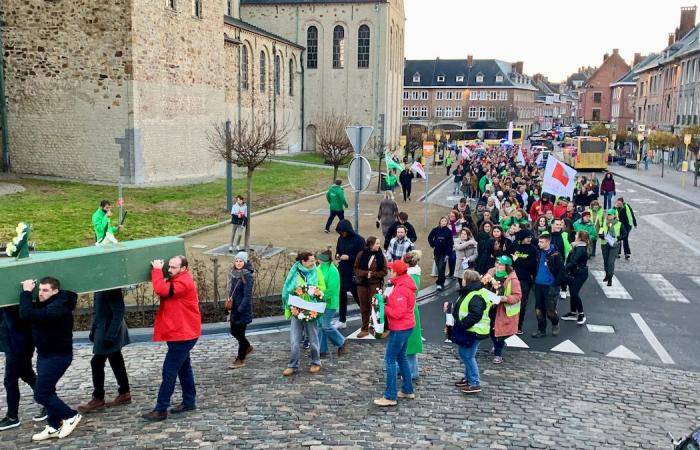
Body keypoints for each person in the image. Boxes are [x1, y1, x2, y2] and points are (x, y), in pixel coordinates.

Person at [19, 277, 81, 441]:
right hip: (45, 354)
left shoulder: (58, 307)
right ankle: (54, 425)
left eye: (45, 290)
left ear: (55, 291)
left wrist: (26, 293)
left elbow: (27, 314)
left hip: (58, 357)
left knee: (41, 394)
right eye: (39, 290)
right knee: (49, 390)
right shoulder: (49, 303)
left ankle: (70, 416)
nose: (40, 293)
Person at [142, 256, 202, 421]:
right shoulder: (180, 278)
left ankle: (161, 409)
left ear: (183, 268)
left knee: (169, 371)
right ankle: (189, 401)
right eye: (169, 266)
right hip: (183, 333)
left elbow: (162, 290)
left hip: (183, 335)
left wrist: (156, 270)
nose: (169, 270)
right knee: (184, 368)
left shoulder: (183, 283)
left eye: (173, 267)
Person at [77, 289, 131, 414]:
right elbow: (99, 312)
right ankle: (124, 392)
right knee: (115, 358)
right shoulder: (99, 288)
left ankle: (98, 397)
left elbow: (118, 311)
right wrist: (93, 329)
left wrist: (111, 335)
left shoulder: (110, 288)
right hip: (103, 328)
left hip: (109, 330)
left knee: (96, 362)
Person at [373, 260, 416, 407]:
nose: (389, 271)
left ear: (396, 272)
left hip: (400, 328)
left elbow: (398, 313)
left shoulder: (400, 289)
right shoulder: (403, 284)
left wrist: (383, 307)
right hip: (406, 326)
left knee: (390, 360)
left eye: (391, 269)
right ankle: (407, 389)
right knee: (401, 357)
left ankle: (390, 396)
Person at [0, 304, 45, 431]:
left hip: (18, 346)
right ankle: (49, 404)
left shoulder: (12, 301)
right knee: (27, 375)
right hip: (16, 344)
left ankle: (12, 417)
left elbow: (17, 323)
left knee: (10, 381)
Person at [281, 252, 326, 376]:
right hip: (297, 309)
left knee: (313, 338)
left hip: (311, 309)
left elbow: (323, 287)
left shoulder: (317, 272)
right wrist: (297, 290)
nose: (314, 263)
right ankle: (292, 365)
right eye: (311, 261)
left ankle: (316, 362)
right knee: (294, 339)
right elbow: (288, 288)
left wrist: (313, 289)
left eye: (313, 260)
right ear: (303, 262)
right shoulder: (294, 272)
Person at [451, 270, 491, 394]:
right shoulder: (474, 292)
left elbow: (475, 314)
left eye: (463, 278)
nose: (461, 280)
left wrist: (462, 324)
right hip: (471, 330)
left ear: (467, 281)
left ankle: (474, 382)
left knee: (467, 356)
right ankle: (469, 379)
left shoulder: (475, 295)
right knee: (466, 355)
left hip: (473, 330)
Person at [485, 256, 522, 364]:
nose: (497, 266)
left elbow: (517, 296)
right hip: (489, 306)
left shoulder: (513, 280)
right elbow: (483, 283)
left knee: (499, 333)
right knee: (491, 330)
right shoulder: (491, 272)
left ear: (507, 267)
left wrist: (505, 298)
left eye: (501, 264)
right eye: (497, 263)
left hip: (502, 310)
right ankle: (497, 346)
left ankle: (498, 354)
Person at [316, 249, 348, 358]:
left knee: (325, 326)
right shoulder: (319, 268)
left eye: (319, 258)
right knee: (320, 326)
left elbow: (331, 289)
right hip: (320, 302)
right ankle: (322, 350)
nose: (317, 260)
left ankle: (341, 342)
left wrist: (319, 294)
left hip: (330, 303)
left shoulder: (333, 270)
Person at [354, 236, 387, 338]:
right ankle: (364, 328)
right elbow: (356, 269)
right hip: (362, 285)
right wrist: (365, 273)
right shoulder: (361, 254)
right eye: (376, 243)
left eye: (378, 243)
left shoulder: (381, 256)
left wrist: (372, 274)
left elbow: (384, 271)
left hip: (375, 285)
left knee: (377, 307)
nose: (378, 245)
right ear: (371, 244)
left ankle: (380, 329)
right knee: (364, 307)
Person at [532, 233, 564, 338]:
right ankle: (541, 330)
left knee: (550, 311)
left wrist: (555, 284)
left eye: (542, 242)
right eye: (539, 241)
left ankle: (555, 323)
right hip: (538, 285)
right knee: (538, 310)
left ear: (548, 242)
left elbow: (561, 272)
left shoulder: (555, 255)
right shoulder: (538, 252)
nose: (539, 244)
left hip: (550, 286)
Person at [334, 219, 365, 328]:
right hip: (342, 270)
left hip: (353, 272)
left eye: (344, 231)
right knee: (341, 296)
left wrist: (349, 257)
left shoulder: (359, 240)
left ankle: (367, 317)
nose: (342, 234)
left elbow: (362, 256)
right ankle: (342, 320)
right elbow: (338, 250)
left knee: (358, 296)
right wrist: (337, 255)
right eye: (340, 232)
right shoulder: (340, 238)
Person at [227, 252, 254, 369]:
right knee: (234, 332)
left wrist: (240, 309)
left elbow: (247, 296)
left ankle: (240, 359)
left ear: (245, 262)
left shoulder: (247, 275)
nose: (238, 263)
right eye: (237, 261)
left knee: (240, 335)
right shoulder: (234, 273)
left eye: (241, 261)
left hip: (242, 310)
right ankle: (247, 347)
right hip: (234, 308)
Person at [510, 229, 537, 335]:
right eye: (527, 237)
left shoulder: (533, 249)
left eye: (530, 237)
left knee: (521, 304)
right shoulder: (513, 247)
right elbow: (507, 259)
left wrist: (518, 260)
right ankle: (509, 323)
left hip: (525, 280)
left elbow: (531, 265)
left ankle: (518, 326)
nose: (529, 239)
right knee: (509, 302)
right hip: (511, 278)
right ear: (521, 238)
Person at [562, 231, 589, 326]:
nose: (575, 235)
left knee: (574, 293)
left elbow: (573, 261)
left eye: (577, 235)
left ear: (580, 238)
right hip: (574, 273)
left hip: (580, 274)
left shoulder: (580, 248)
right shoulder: (576, 246)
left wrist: (563, 269)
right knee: (573, 293)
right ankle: (573, 312)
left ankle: (581, 314)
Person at [403, 251, 423, 380]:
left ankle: (412, 371)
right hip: (411, 310)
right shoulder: (414, 275)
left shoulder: (409, 277)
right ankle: (408, 369)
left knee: (409, 343)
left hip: (407, 311)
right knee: (408, 342)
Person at [599, 209, 627, 286]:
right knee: (605, 261)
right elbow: (600, 232)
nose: (608, 216)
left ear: (614, 215)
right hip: (605, 244)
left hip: (614, 245)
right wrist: (602, 236)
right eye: (608, 214)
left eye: (610, 214)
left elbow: (625, 234)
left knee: (611, 262)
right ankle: (607, 274)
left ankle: (610, 278)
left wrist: (617, 238)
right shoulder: (604, 223)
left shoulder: (619, 224)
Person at [427, 217, 453, 291]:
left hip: (444, 253)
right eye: (442, 221)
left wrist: (448, 254)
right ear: (440, 222)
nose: (444, 222)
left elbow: (450, 244)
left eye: (445, 221)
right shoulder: (435, 230)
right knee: (438, 267)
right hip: (437, 252)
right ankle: (441, 279)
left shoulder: (449, 231)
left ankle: (440, 283)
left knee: (441, 267)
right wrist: (433, 244)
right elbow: (430, 237)